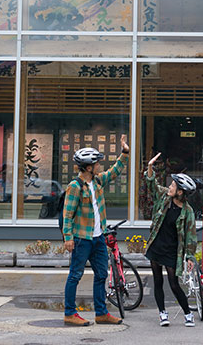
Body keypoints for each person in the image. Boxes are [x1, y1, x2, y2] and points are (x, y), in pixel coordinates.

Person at [61, 134, 129, 327]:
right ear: (88, 167)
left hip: (98, 238)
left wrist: (124, 152)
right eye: (97, 164)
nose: (100, 166)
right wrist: (68, 238)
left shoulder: (97, 182)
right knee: (75, 275)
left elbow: (115, 171)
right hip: (82, 239)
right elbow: (67, 214)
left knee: (101, 275)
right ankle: (69, 313)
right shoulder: (75, 187)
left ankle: (101, 313)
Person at [144, 152, 198, 327]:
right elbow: (152, 185)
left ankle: (188, 314)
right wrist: (150, 167)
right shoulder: (165, 198)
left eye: (174, 185)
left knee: (174, 284)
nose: (170, 186)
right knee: (157, 280)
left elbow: (191, 236)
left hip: (172, 251)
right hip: (157, 245)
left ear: (180, 192)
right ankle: (162, 314)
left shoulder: (187, 211)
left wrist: (189, 256)